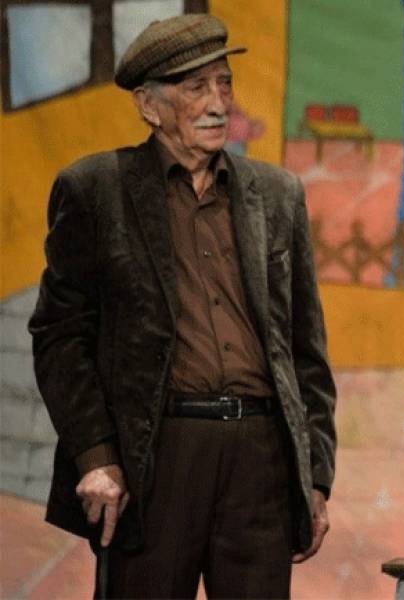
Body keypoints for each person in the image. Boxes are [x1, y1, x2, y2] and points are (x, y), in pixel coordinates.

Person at [28, 13, 336, 598]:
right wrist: (95, 455)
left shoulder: (277, 195)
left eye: (224, 84)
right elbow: (59, 335)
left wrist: (315, 474)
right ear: (149, 105)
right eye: (197, 88)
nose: (218, 104)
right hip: (155, 458)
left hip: (261, 460)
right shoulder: (96, 190)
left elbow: (305, 348)